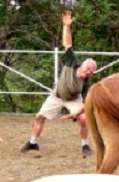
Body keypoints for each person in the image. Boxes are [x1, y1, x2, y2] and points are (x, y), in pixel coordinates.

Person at [20, 10, 97, 156]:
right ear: (82, 65)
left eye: (91, 72)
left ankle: (85, 145)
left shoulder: (87, 80)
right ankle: (33, 142)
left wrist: (78, 112)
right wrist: (66, 26)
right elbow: (67, 43)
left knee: (83, 119)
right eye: (87, 69)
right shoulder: (72, 61)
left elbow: (86, 100)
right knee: (39, 117)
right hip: (56, 96)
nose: (88, 72)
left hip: (74, 99)